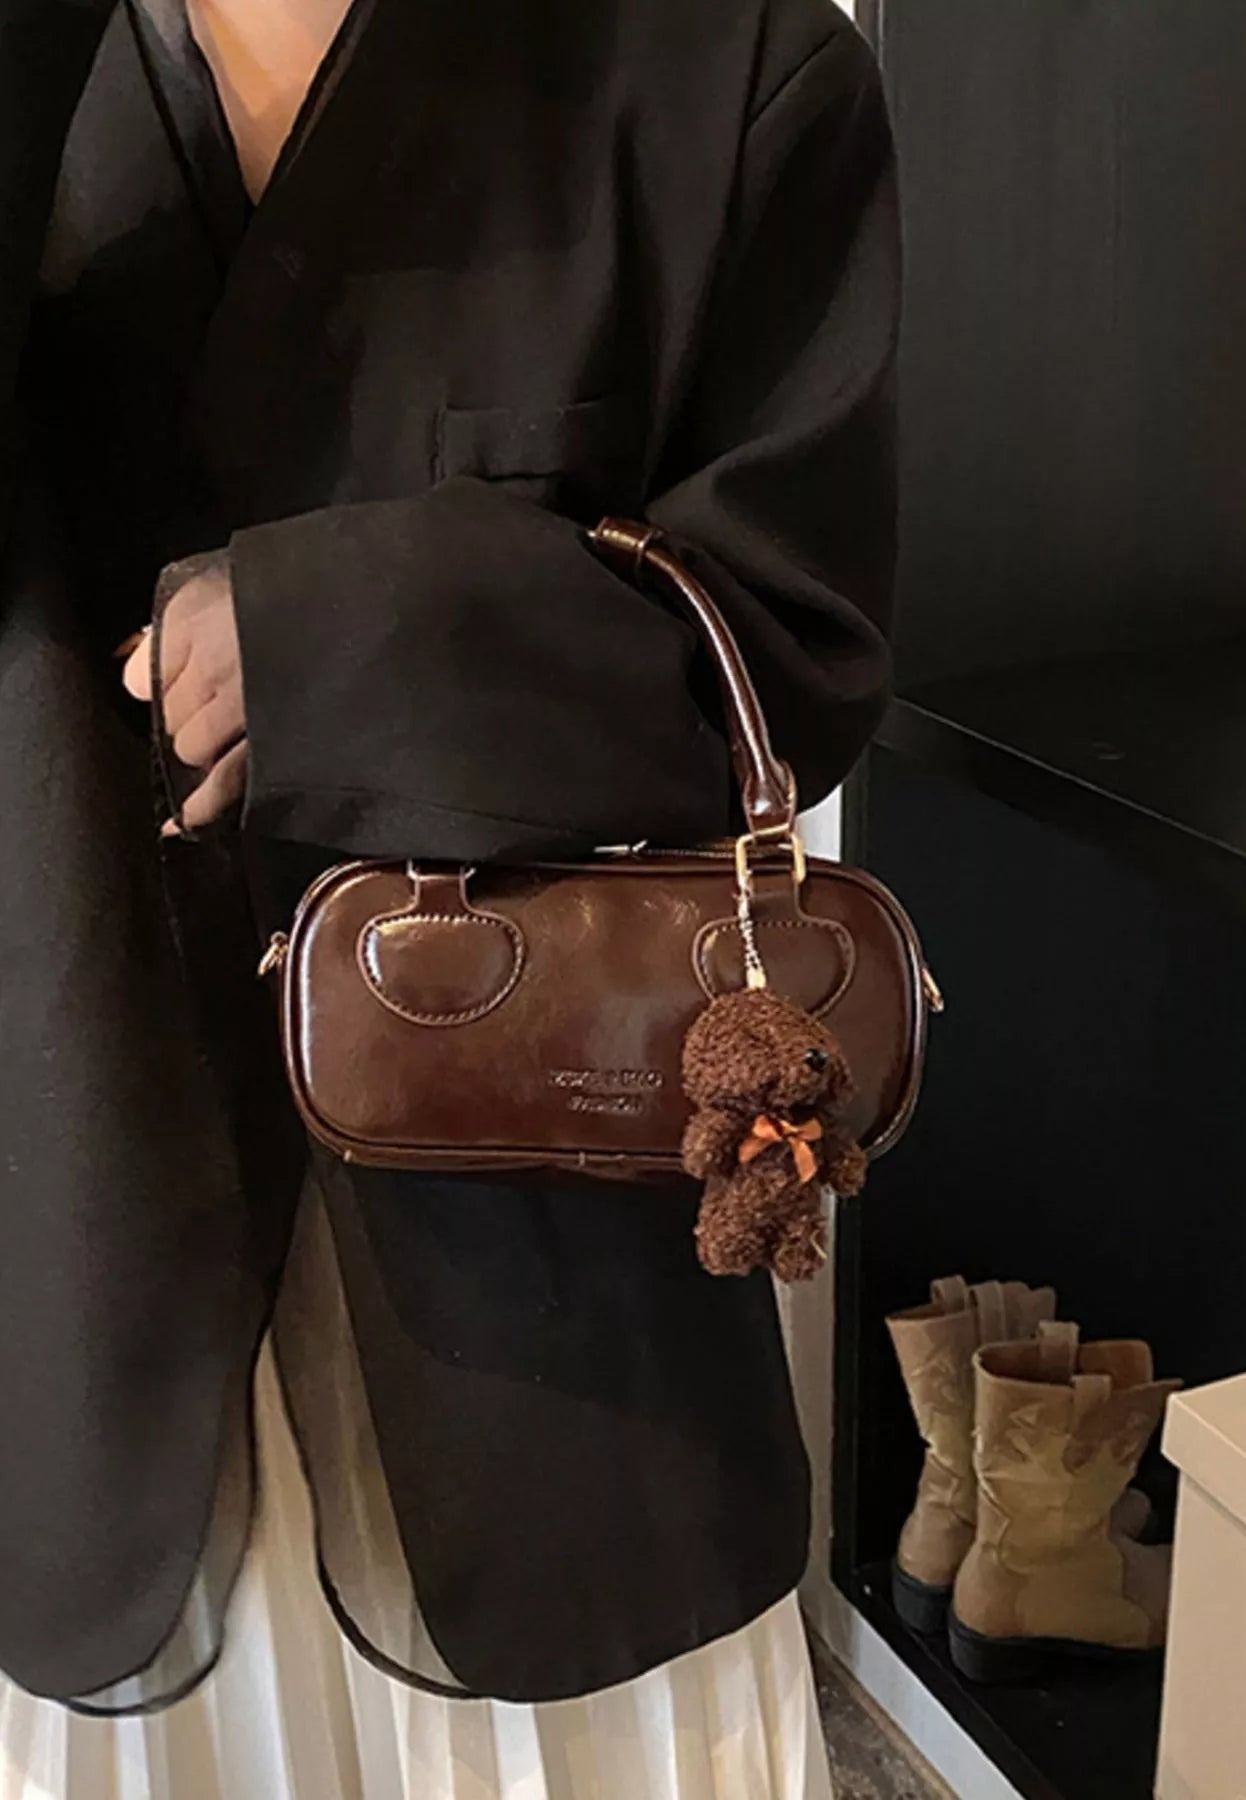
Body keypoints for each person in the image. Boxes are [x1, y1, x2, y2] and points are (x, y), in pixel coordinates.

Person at [0, 0, 899, 1792]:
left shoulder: (716, 61)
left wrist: (348, 637)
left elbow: (788, 645)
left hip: (555, 1323)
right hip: (69, 1233)